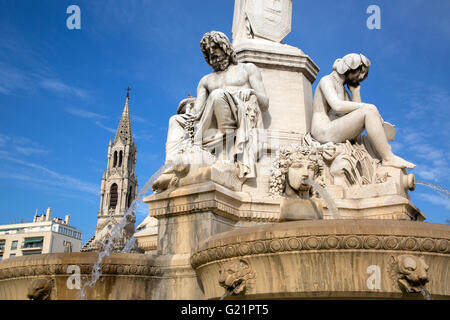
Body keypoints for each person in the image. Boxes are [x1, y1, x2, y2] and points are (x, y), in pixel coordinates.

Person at [311, 53, 415, 169]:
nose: (360, 77)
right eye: (360, 73)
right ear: (350, 67)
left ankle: (387, 156)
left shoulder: (344, 91)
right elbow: (337, 106)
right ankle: (389, 158)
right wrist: (367, 107)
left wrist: (356, 92)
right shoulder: (327, 80)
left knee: (368, 119)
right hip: (323, 131)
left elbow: (355, 117)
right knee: (369, 109)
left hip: (332, 129)